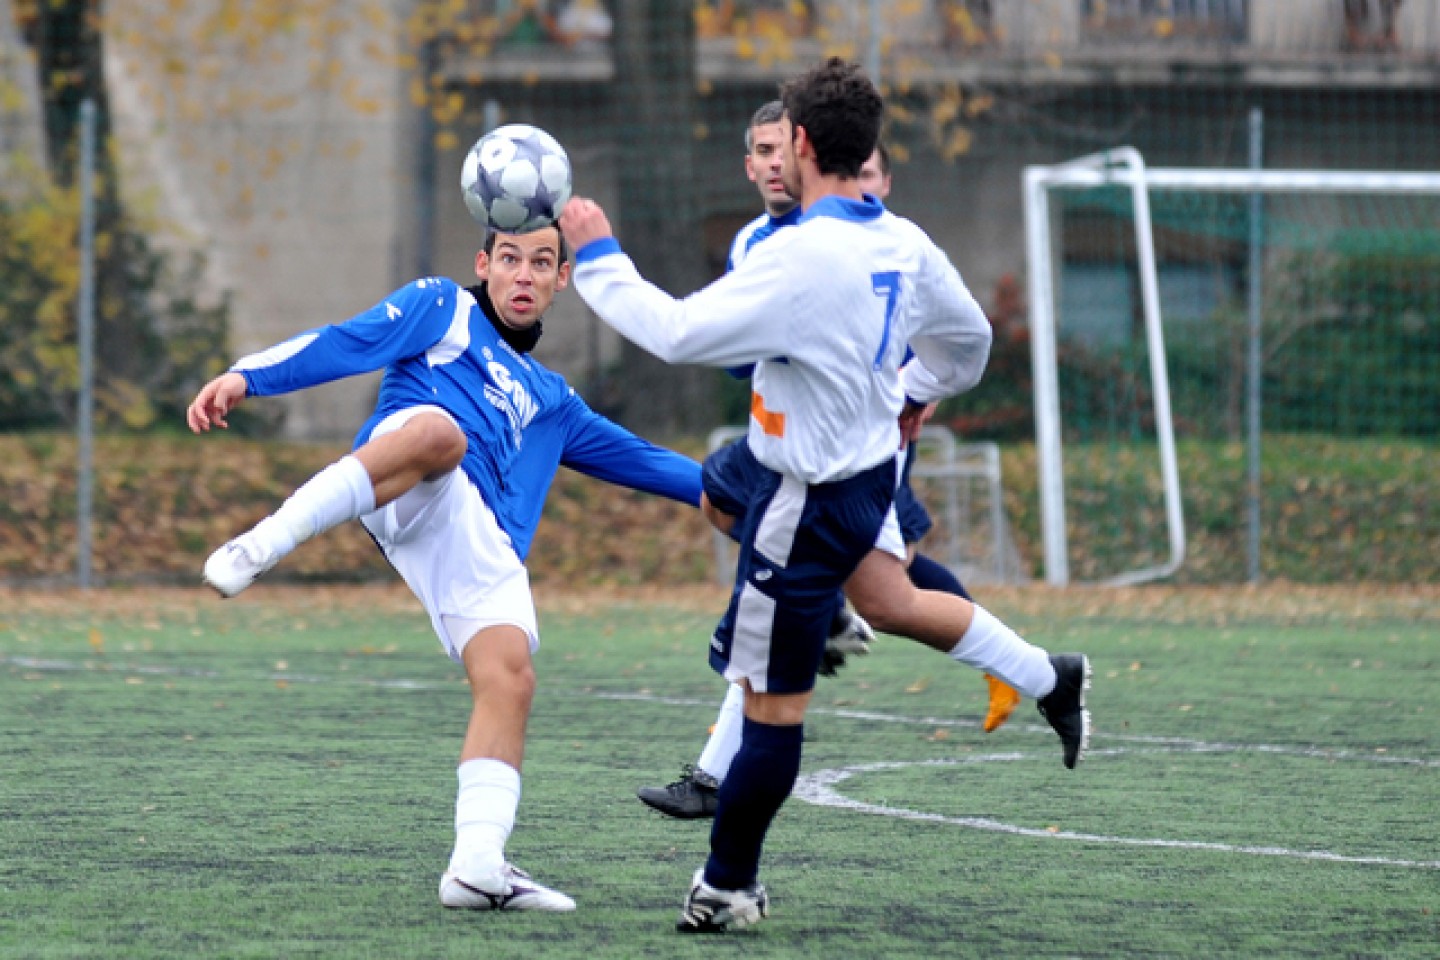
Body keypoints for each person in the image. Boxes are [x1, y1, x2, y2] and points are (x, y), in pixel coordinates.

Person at [560, 58, 1090, 933]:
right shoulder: (904, 241)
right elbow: (971, 343)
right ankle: (1043, 674)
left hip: (803, 500)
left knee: (772, 706)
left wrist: (599, 255)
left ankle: (728, 886)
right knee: (849, 572)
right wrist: (915, 390)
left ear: (802, 145)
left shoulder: (801, 256)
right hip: (860, 474)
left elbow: (678, 334)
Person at [186, 223, 705, 913]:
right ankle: (266, 541)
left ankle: (477, 866)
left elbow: (644, 460)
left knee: (510, 677)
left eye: (542, 263)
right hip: (407, 475)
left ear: (561, 280)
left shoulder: (554, 399)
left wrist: (735, 490)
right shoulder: (442, 306)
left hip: (474, 532)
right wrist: (247, 375)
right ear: (484, 265)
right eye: (511, 259)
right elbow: (345, 340)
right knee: (439, 434)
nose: (524, 275)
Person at [635, 108, 1020, 822]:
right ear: (749, 165)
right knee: (854, 580)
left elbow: (931, 336)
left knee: (836, 582)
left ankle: (721, 796)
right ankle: (1023, 668)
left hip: (858, 449)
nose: (775, 162)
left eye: (784, 148)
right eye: (761, 151)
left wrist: (918, 391)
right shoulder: (757, 241)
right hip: (790, 445)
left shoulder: (874, 242)